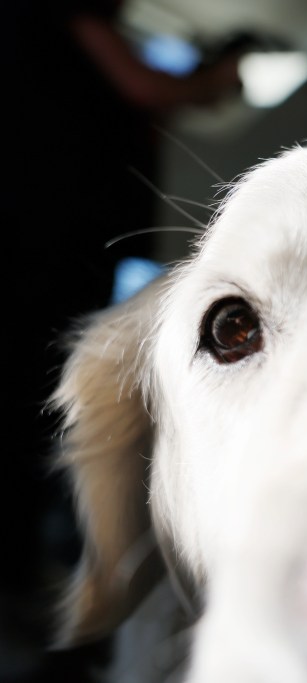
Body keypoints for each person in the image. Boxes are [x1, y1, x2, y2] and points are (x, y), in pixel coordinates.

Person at [4, 2, 242, 679]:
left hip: (55, 246)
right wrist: (211, 81)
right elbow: (141, 84)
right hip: (40, 248)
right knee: (29, 413)